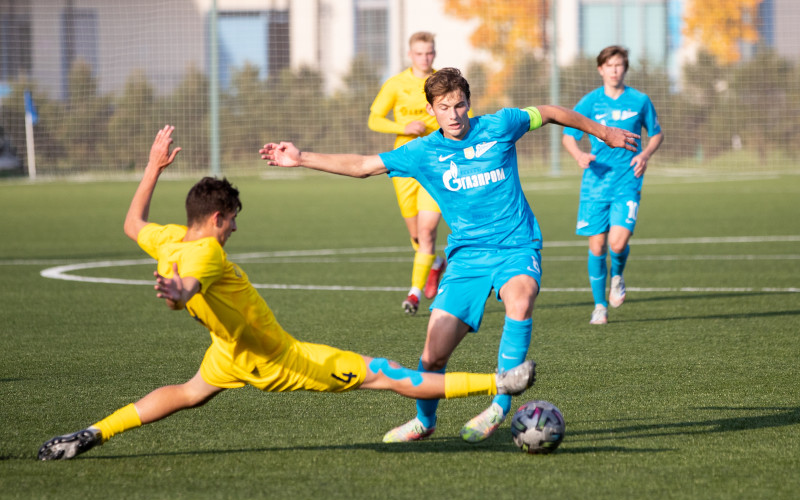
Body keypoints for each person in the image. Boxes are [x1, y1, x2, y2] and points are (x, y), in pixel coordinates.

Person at [36, 125, 537, 461]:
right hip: (280, 361)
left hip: (227, 353)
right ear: (216, 219)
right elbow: (190, 285)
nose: (233, 229)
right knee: (387, 374)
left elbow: (132, 224)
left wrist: (153, 167)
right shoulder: (208, 252)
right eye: (232, 221)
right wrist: (176, 293)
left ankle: (93, 433)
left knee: (189, 392)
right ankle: (497, 381)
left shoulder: (170, 238)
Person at [260, 68, 639, 443]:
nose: (454, 115)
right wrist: (301, 157)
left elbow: (554, 112)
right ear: (431, 111)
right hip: (466, 259)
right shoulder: (422, 152)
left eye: (460, 105)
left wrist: (603, 133)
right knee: (433, 355)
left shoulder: (501, 124)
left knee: (520, 299)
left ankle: (500, 405)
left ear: (469, 104)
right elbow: (362, 166)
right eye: (444, 107)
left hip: (516, 246)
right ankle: (425, 421)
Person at [562, 45, 664, 325]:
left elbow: (656, 134)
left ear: (625, 68)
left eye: (619, 65)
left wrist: (644, 154)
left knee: (617, 244)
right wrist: (579, 154)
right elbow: (568, 135)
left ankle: (617, 277)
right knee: (597, 247)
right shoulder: (590, 102)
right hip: (595, 184)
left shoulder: (640, 100)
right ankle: (599, 306)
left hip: (627, 181)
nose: (614, 70)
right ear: (600, 69)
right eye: (609, 65)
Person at [368, 31, 446, 315]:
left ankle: (413, 294)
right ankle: (436, 263)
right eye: (420, 53)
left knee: (427, 232)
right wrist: (403, 128)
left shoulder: (442, 83)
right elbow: (374, 118)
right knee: (416, 236)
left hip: (434, 163)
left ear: (434, 53)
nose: (426, 58)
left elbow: (461, 115)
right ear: (410, 55)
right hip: (403, 165)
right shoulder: (396, 84)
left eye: (430, 52)